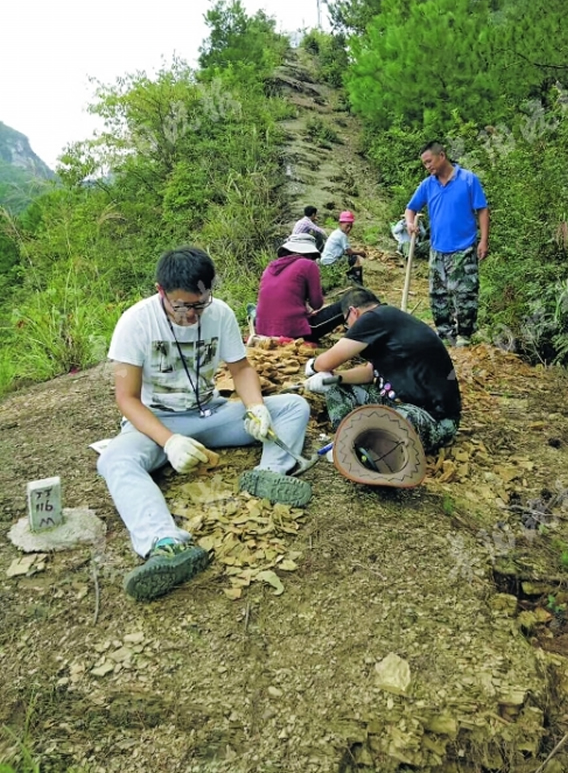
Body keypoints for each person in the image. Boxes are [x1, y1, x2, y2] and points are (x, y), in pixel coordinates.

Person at [97, 246, 310, 602]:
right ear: (160, 291)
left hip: (208, 413)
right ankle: (166, 545)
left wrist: (256, 408)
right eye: (181, 306)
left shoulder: (221, 314)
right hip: (154, 422)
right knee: (114, 460)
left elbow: (241, 369)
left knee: (291, 407)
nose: (191, 315)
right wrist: (168, 441)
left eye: (200, 304)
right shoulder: (135, 322)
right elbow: (127, 398)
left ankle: (269, 476)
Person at [303, 287, 461, 452]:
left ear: (353, 312)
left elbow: (325, 362)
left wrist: (313, 366)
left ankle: (359, 443)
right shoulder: (388, 320)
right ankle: (349, 435)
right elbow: (369, 372)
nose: (349, 327)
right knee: (334, 386)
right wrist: (334, 377)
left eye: (346, 322)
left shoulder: (373, 318)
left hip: (431, 418)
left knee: (390, 423)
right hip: (397, 403)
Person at [405, 141, 489, 346]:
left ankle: (464, 336)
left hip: (464, 247)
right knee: (438, 294)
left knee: (465, 294)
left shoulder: (468, 180)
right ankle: (445, 334)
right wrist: (409, 223)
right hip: (438, 249)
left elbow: (482, 210)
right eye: (424, 164)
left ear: (441, 156)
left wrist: (484, 240)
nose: (427, 167)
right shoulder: (427, 185)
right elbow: (411, 208)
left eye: (429, 161)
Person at [255, 233, 344, 342]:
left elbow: (284, 298)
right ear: (309, 253)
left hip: (263, 332)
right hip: (292, 331)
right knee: (349, 303)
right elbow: (317, 304)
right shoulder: (308, 265)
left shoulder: (270, 267)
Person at [319, 210, 365, 286]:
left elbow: (345, 251)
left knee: (347, 258)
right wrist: (361, 252)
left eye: (351, 226)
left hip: (325, 261)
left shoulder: (336, 232)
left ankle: (350, 278)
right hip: (331, 263)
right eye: (347, 226)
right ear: (340, 224)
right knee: (354, 258)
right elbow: (349, 252)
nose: (349, 228)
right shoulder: (342, 235)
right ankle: (358, 281)